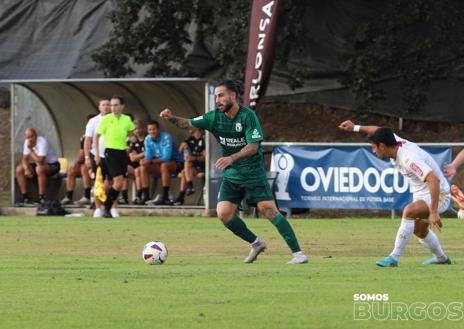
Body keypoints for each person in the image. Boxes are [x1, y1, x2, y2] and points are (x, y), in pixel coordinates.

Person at [160, 80, 308, 264]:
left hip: (253, 173)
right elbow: (189, 123)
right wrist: (171, 117)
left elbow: (253, 146)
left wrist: (232, 158)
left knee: (267, 209)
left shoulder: (248, 116)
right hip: (232, 175)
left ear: (232, 96)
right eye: (216, 97)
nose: (218, 100)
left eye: (221, 96)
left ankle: (298, 254)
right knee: (223, 213)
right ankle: (256, 243)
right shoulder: (214, 117)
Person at [338, 120, 451, 267]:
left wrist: (434, 212)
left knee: (409, 211)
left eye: (374, 147)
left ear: (382, 146)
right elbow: (378, 129)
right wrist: (355, 128)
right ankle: (441, 258)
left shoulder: (408, 158)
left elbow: (433, 180)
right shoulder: (394, 141)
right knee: (419, 230)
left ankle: (394, 258)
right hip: (423, 192)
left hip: (438, 193)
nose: (373, 151)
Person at [96, 95, 135, 217]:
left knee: (120, 183)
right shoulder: (106, 119)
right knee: (118, 182)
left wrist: (130, 142)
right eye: (111, 105)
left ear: (122, 106)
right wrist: (97, 153)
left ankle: (106, 207)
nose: (113, 108)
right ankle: (106, 207)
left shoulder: (127, 119)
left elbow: (132, 133)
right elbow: (96, 137)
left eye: (116, 105)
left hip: (122, 152)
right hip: (110, 152)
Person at [139, 120, 183, 206]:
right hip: (159, 164)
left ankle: (165, 197)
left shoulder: (166, 137)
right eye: (150, 130)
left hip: (176, 163)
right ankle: (146, 196)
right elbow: (148, 156)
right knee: (143, 167)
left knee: (164, 166)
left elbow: (166, 158)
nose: (152, 131)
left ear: (158, 129)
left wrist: (150, 161)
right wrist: (144, 161)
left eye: (154, 129)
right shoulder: (147, 139)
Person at [84, 98, 113, 217]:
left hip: (112, 154)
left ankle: (110, 207)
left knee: (112, 181)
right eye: (103, 105)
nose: (106, 107)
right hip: (97, 155)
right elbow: (88, 140)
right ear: (99, 107)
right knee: (98, 181)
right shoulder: (93, 121)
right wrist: (87, 157)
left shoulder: (114, 120)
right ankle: (97, 208)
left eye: (108, 105)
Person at [16, 128, 60, 204]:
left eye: (32, 136)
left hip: (53, 165)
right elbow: (24, 159)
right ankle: (25, 197)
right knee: (19, 169)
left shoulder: (42, 142)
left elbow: (40, 162)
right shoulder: (27, 142)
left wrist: (31, 149)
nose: (30, 139)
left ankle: (42, 197)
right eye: (28, 137)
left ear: (36, 136)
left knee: (39, 169)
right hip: (39, 164)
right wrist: (26, 169)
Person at [61, 115, 94, 206]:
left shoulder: (100, 135)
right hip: (87, 160)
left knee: (84, 168)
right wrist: (77, 161)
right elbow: (81, 154)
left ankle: (87, 196)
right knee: (72, 168)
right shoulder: (84, 137)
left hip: (97, 160)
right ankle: (69, 196)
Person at [173, 127, 206, 205]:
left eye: (190, 125)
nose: (188, 128)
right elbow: (179, 154)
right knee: (185, 169)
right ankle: (188, 189)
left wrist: (194, 158)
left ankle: (184, 193)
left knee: (187, 165)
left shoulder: (205, 139)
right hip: (191, 168)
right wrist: (182, 147)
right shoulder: (189, 139)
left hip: (202, 167)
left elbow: (206, 158)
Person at [126, 119, 147, 205]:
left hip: (148, 164)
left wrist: (138, 155)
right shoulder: (132, 141)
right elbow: (132, 158)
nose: (137, 131)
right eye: (135, 129)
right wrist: (142, 154)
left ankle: (141, 195)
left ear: (143, 128)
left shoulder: (148, 139)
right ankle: (135, 196)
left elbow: (149, 153)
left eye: (139, 128)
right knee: (124, 170)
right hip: (136, 165)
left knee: (139, 170)